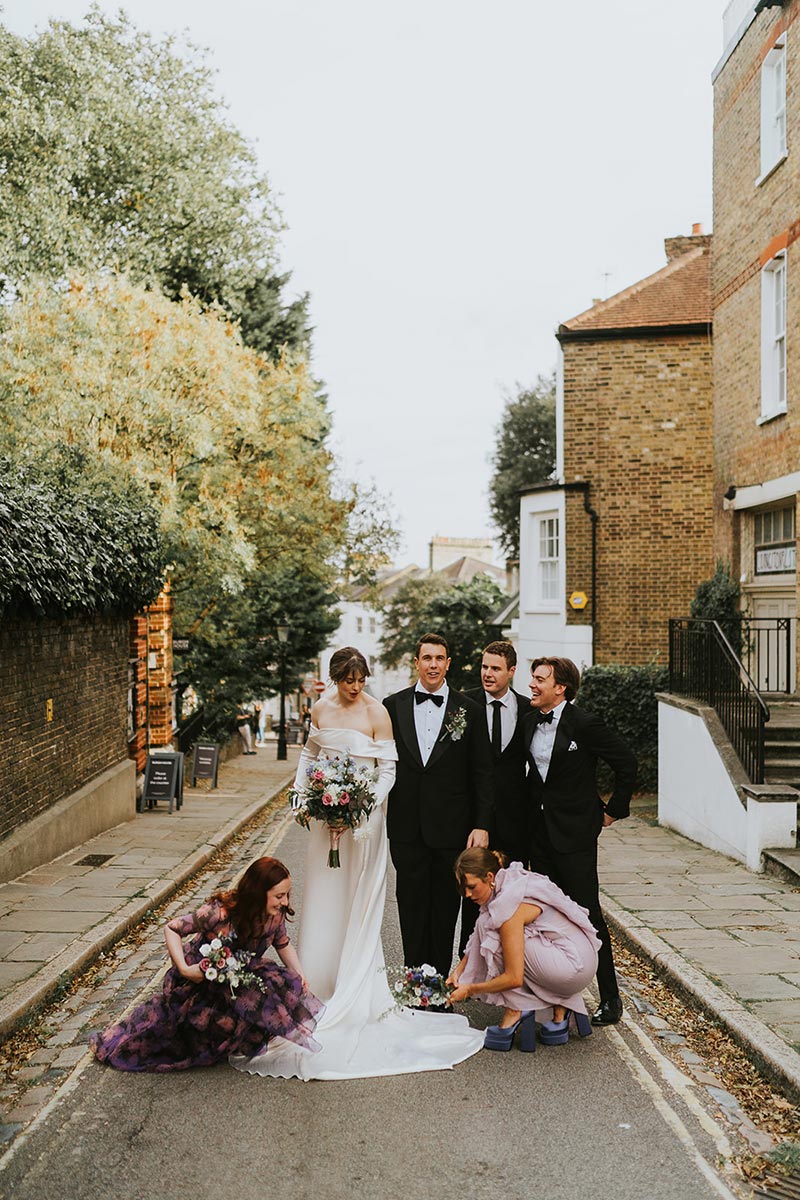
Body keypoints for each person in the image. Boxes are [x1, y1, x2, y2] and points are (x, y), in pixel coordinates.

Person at [235, 646, 483, 1080]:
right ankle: (319, 985)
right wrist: (303, 799)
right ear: (335, 679)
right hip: (323, 824)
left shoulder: (377, 712)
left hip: (363, 824)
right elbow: (310, 759)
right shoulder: (320, 709)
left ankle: (359, 986)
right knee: (326, 898)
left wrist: (362, 806)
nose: (355, 687)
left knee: (359, 899)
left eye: (360, 679)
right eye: (348, 680)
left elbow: (388, 769)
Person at [90, 857, 323, 1071]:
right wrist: (183, 968)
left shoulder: (275, 915)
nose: (285, 902)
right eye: (279, 895)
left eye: (287, 895)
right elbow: (172, 928)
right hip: (201, 981)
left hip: (237, 976)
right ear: (257, 892)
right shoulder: (218, 913)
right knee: (178, 1041)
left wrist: (300, 975)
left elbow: (282, 945)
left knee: (277, 983)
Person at [521, 656, 637, 1026]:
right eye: (533, 678)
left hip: (575, 837)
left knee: (589, 916)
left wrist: (612, 810)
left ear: (561, 688)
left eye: (540, 679)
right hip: (537, 837)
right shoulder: (528, 721)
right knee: (544, 917)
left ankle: (610, 998)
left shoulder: (584, 723)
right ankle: (554, 994)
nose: (533, 684)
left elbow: (627, 763)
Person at [384, 633, 494, 979]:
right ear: (416, 662)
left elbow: (483, 772)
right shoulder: (392, 706)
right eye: (426, 658)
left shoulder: (470, 711)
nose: (433, 664)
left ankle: (437, 984)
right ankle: (414, 982)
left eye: (439, 658)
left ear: (448, 664)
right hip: (407, 828)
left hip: (452, 830)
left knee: (446, 910)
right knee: (412, 908)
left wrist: (481, 823)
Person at [447, 848, 600, 1050]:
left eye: (471, 887)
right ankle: (560, 1009)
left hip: (571, 966)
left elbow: (514, 978)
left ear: (490, 877)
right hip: (582, 957)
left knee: (496, 935)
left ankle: (516, 1009)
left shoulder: (507, 909)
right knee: (490, 926)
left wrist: (470, 989)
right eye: (463, 888)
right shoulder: (513, 881)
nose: (467, 894)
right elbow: (478, 937)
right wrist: (459, 970)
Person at [460, 639, 531, 954]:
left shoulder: (529, 710)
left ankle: (509, 962)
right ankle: (469, 961)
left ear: (511, 671)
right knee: (473, 893)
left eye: (495, 668)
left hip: (517, 821)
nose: (487, 673)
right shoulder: (463, 705)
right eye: (484, 667)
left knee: (512, 895)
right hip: (474, 820)